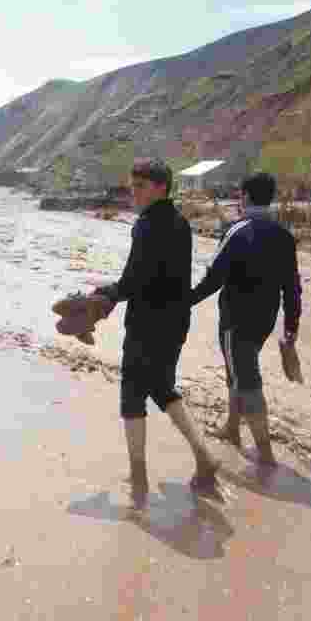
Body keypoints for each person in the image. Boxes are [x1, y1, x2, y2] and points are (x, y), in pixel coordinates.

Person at [94, 158, 220, 508]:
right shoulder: (179, 222)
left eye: (141, 186)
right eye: (132, 185)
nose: (133, 192)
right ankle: (204, 456)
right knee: (162, 387)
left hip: (148, 323)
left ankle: (139, 479)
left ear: (161, 187)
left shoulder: (147, 225)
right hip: (176, 321)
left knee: (133, 395)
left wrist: (104, 295)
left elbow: (134, 280)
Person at [190, 171, 302, 466]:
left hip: (236, 320)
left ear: (245, 197)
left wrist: (183, 302)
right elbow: (292, 288)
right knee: (238, 371)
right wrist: (291, 328)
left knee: (247, 380)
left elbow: (213, 278)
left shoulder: (237, 231)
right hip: (265, 320)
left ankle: (266, 455)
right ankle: (231, 427)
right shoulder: (284, 236)